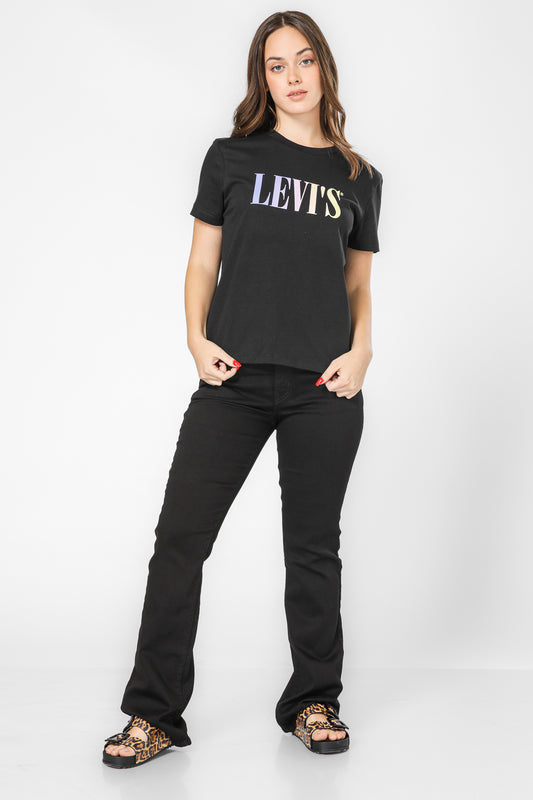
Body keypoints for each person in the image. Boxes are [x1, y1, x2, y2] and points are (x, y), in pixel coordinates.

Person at [102, 9, 383, 768]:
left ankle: (313, 701)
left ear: (324, 67)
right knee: (179, 542)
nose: (292, 76)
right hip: (233, 382)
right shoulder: (230, 159)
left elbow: (358, 284)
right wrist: (196, 339)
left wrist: (362, 351)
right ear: (262, 78)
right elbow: (202, 263)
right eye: (275, 65)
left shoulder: (359, 178)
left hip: (325, 386)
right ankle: (154, 714)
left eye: (303, 60)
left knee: (313, 550)